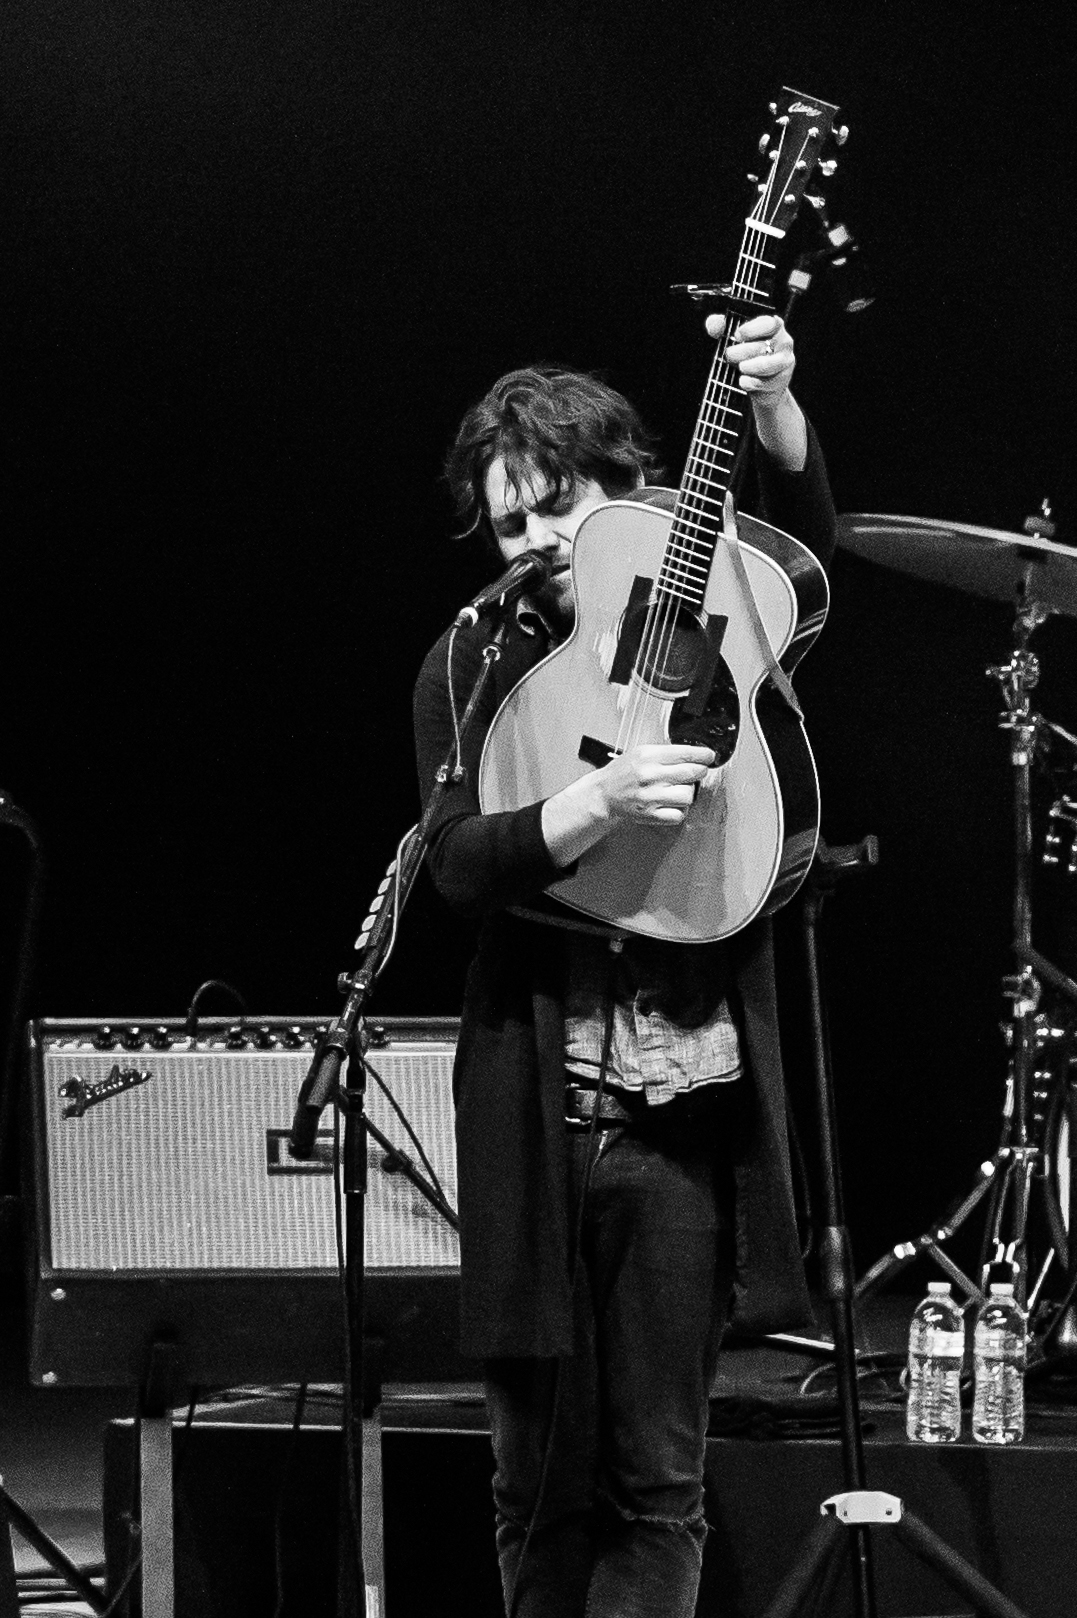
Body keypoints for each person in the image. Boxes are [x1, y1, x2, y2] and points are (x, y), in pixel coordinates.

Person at [413, 312, 837, 1618]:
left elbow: (805, 562)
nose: (534, 540)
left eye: (557, 506)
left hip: (678, 1127)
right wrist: (592, 810)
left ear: (626, 492)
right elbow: (455, 861)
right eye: (507, 523)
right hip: (536, 1119)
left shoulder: (705, 617)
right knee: (532, 1486)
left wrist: (773, 413)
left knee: (659, 1483)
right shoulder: (473, 658)